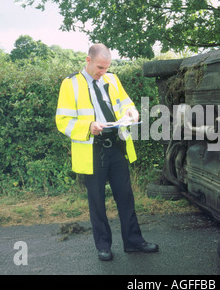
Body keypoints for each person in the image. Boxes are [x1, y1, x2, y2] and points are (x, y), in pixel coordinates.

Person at [55, 43, 158, 261]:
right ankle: (103, 246)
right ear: (88, 60)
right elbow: (63, 120)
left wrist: (132, 111)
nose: (103, 72)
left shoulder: (112, 79)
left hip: (117, 146)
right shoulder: (70, 84)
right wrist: (88, 127)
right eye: (100, 67)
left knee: (126, 197)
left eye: (106, 67)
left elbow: (126, 104)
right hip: (92, 149)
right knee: (97, 200)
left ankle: (134, 242)